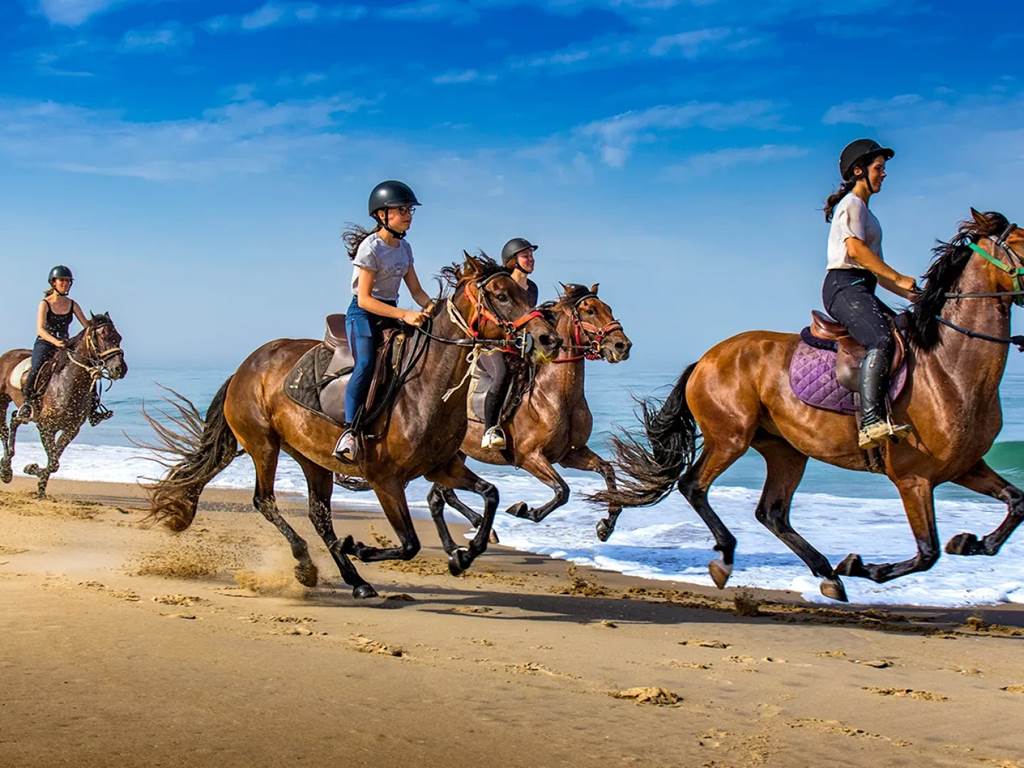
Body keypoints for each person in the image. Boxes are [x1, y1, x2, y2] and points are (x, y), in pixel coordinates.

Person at [822, 139, 919, 449]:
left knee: (907, 330)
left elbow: (876, 268)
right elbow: (856, 251)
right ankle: (871, 422)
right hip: (843, 286)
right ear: (859, 171)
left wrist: (911, 295)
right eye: (879, 168)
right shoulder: (851, 204)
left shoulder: (869, 215)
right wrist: (898, 277)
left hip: (862, 285)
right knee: (881, 339)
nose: (884, 174)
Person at [333, 180, 431, 462]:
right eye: (402, 210)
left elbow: (417, 291)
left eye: (410, 210)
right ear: (382, 214)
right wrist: (405, 314)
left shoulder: (405, 248)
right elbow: (364, 299)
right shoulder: (370, 248)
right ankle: (349, 432)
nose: (408, 215)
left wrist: (434, 308)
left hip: (389, 310)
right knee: (365, 364)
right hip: (363, 314)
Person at [19, 266, 111, 424]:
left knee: (88, 370)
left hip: (66, 344)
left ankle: (94, 409)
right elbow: (40, 329)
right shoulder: (45, 304)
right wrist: (55, 342)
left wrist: (101, 325)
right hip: (45, 343)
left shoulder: (72, 304)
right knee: (36, 368)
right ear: (53, 282)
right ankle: (28, 404)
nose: (66, 283)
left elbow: (86, 325)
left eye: (68, 281)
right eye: (62, 280)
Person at [474, 238, 541, 450]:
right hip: (491, 345)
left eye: (531, 255)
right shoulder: (502, 285)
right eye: (525, 255)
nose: (531, 259)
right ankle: (489, 430)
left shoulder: (532, 289)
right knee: (501, 373)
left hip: (517, 346)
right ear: (512, 261)